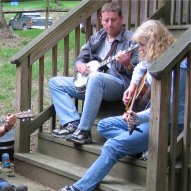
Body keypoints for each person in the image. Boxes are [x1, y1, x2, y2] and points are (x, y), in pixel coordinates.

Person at [43, 20, 186, 191]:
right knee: (104, 125)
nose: (138, 49)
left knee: (112, 145)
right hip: (150, 118)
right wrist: (133, 86)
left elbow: (164, 109)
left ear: (154, 43)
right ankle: (140, 146)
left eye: (141, 45)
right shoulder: (156, 56)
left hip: (168, 125)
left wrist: (136, 117)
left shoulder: (177, 69)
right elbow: (142, 67)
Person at [49, 1, 139, 144]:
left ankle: (84, 131)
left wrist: (127, 64)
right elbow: (79, 59)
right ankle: (72, 123)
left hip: (118, 85)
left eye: (114, 20)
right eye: (106, 20)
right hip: (92, 83)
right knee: (55, 82)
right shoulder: (97, 37)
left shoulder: (132, 40)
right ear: (101, 21)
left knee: (96, 77)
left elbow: (139, 73)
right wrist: (80, 66)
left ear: (121, 19)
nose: (110, 24)